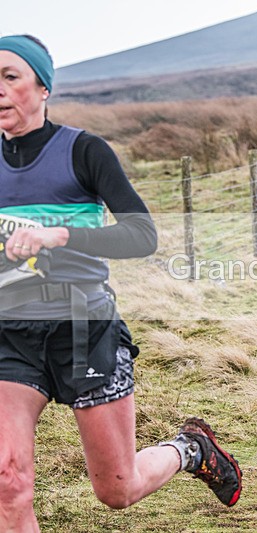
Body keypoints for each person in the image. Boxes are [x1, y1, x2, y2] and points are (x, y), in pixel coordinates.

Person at [0, 35, 241, 529]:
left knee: (117, 489)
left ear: (43, 87)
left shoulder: (83, 151)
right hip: (11, 333)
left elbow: (141, 235)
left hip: (83, 326)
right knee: (8, 480)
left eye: (10, 76)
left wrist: (60, 236)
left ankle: (191, 449)